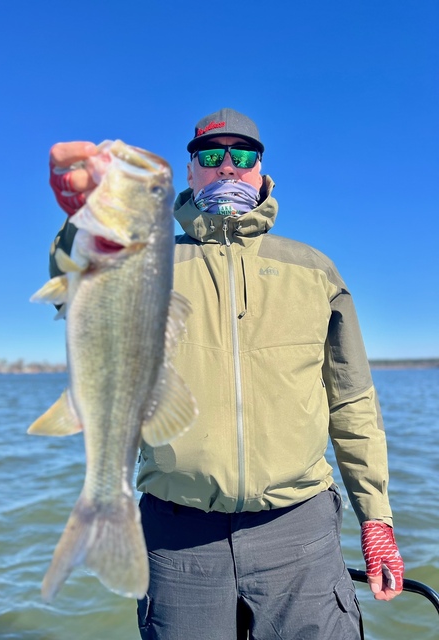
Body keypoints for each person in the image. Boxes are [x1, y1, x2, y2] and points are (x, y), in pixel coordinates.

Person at [48, 108, 404, 640]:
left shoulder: (314, 270)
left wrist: (375, 516)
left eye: (244, 156)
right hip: (177, 536)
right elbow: (80, 283)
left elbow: (351, 402)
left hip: (299, 529)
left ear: (262, 170)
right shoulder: (149, 259)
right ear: (191, 172)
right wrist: (81, 214)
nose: (228, 168)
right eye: (212, 157)